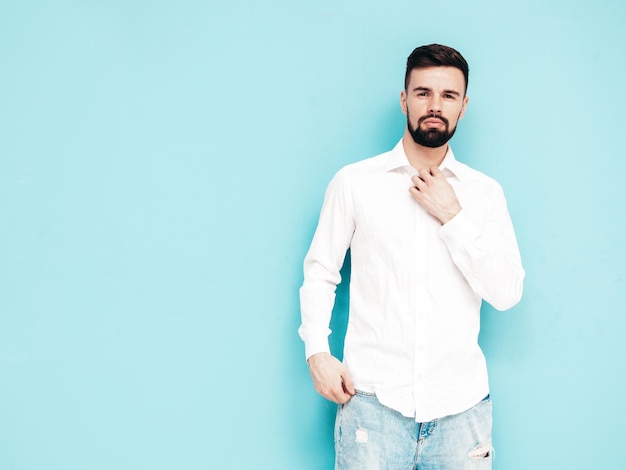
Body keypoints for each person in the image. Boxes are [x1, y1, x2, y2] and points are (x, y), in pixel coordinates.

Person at [298, 44, 525, 469]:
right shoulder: (355, 183)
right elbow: (321, 270)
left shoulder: (484, 195)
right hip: (373, 409)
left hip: (462, 414)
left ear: (464, 106)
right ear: (404, 99)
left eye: (448, 95)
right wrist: (317, 353)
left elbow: (507, 292)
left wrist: (452, 215)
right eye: (423, 93)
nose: (435, 106)